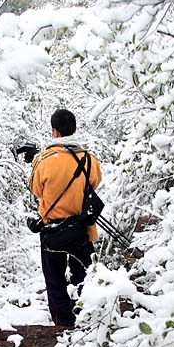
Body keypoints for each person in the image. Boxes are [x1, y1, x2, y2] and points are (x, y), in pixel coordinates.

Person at [28, 109, 101, 327]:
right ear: (75, 129)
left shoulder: (43, 160)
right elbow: (94, 184)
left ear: (54, 132)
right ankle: (84, 318)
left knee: (55, 279)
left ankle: (62, 322)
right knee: (83, 276)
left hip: (53, 229)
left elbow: (36, 190)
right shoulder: (89, 159)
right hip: (82, 229)